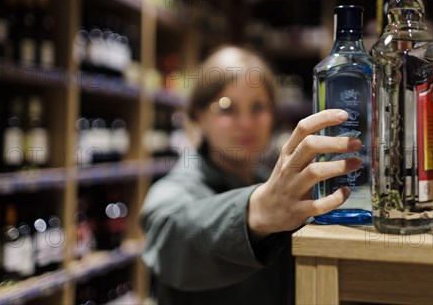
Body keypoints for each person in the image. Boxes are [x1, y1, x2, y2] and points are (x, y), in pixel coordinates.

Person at [140, 46, 363, 304]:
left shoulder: (270, 180)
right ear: (199, 116)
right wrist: (258, 209)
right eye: (227, 108)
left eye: (258, 107)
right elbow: (170, 236)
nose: (246, 122)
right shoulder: (177, 186)